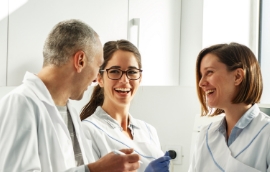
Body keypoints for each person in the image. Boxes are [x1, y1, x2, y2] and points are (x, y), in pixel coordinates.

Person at [0, 19, 140, 172]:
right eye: (98, 65)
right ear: (80, 60)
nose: (95, 79)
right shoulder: (20, 103)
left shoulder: (70, 111)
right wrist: (94, 170)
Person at [80, 40, 171, 172]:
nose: (124, 80)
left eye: (132, 72)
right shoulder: (88, 131)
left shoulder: (149, 131)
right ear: (100, 78)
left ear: (140, 78)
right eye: (115, 71)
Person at [189, 42, 269, 172]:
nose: (201, 83)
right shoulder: (206, 135)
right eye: (201, 75)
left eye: (209, 72)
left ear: (237, 76)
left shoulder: (266, 133)